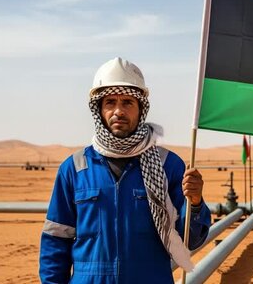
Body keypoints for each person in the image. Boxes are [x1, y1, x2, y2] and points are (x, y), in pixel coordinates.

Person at [39, 57, 211, 283]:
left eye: (127, 102)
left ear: (141, 109)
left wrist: (195, 202)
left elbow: (190, 240)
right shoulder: (75, 168)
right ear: (99, 109)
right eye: (110, 102)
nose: (118, 111)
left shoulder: (168, 165)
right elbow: (56, 240)